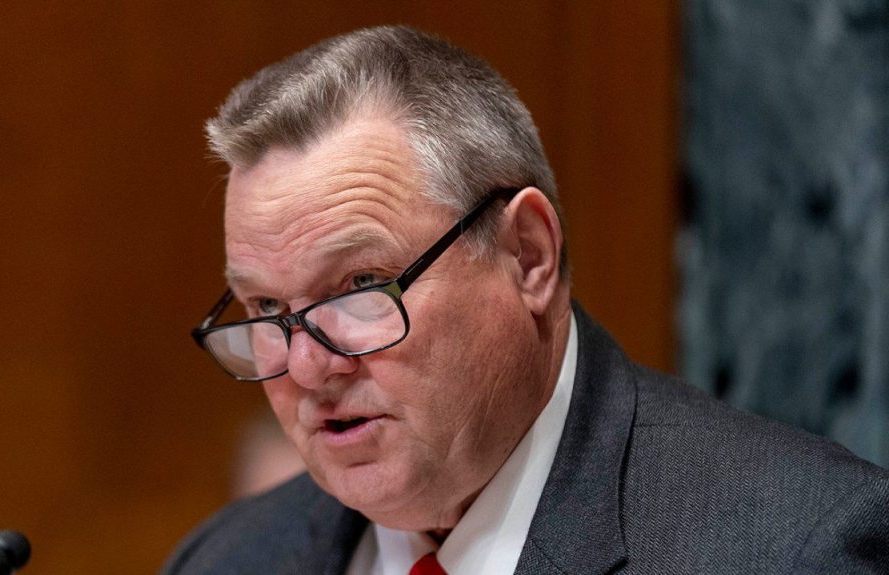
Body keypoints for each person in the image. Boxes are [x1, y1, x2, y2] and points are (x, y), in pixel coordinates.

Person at [163, 26, 889, 574]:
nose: (307, 368)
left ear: (528, 255)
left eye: (360, 286)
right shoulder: (223, 559)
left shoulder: (797, 547)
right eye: (267, 309)